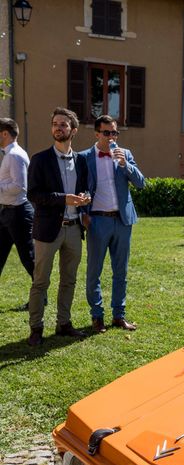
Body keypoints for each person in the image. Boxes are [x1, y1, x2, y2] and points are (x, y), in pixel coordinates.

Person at [27, 107, 91, 346]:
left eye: (63, 124)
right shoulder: (40, 159)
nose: (58, 128)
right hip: (47, 230)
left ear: (73, 130)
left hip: (74, 229)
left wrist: (84, 199)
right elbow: (33, 194)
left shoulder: (81, 161)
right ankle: (36, 327)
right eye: (55, 123)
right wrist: (64, 198)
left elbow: (85, 188)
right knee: (40, 281)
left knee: (69, 280)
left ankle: (63, 323)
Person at [80, 115, 145, 333]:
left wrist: (125, 165)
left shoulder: (124, 154)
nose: (111, 137)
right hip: (97, 221)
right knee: (94, 272)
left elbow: (141, 183)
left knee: (121, 272)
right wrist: (83, 215)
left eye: (114, 133)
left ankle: (119, 315)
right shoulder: (85, 157)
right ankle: (97, 316)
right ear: (97, 133)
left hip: (123, 221)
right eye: (106, 133)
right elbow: (79, 187)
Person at [0, 118, 35, 309]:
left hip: (18, 213)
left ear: (5, 133)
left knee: (28, 257)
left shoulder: (14, 155)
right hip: (7, 212)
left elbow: (19, 186)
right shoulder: (10, 154)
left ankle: (40, 297)